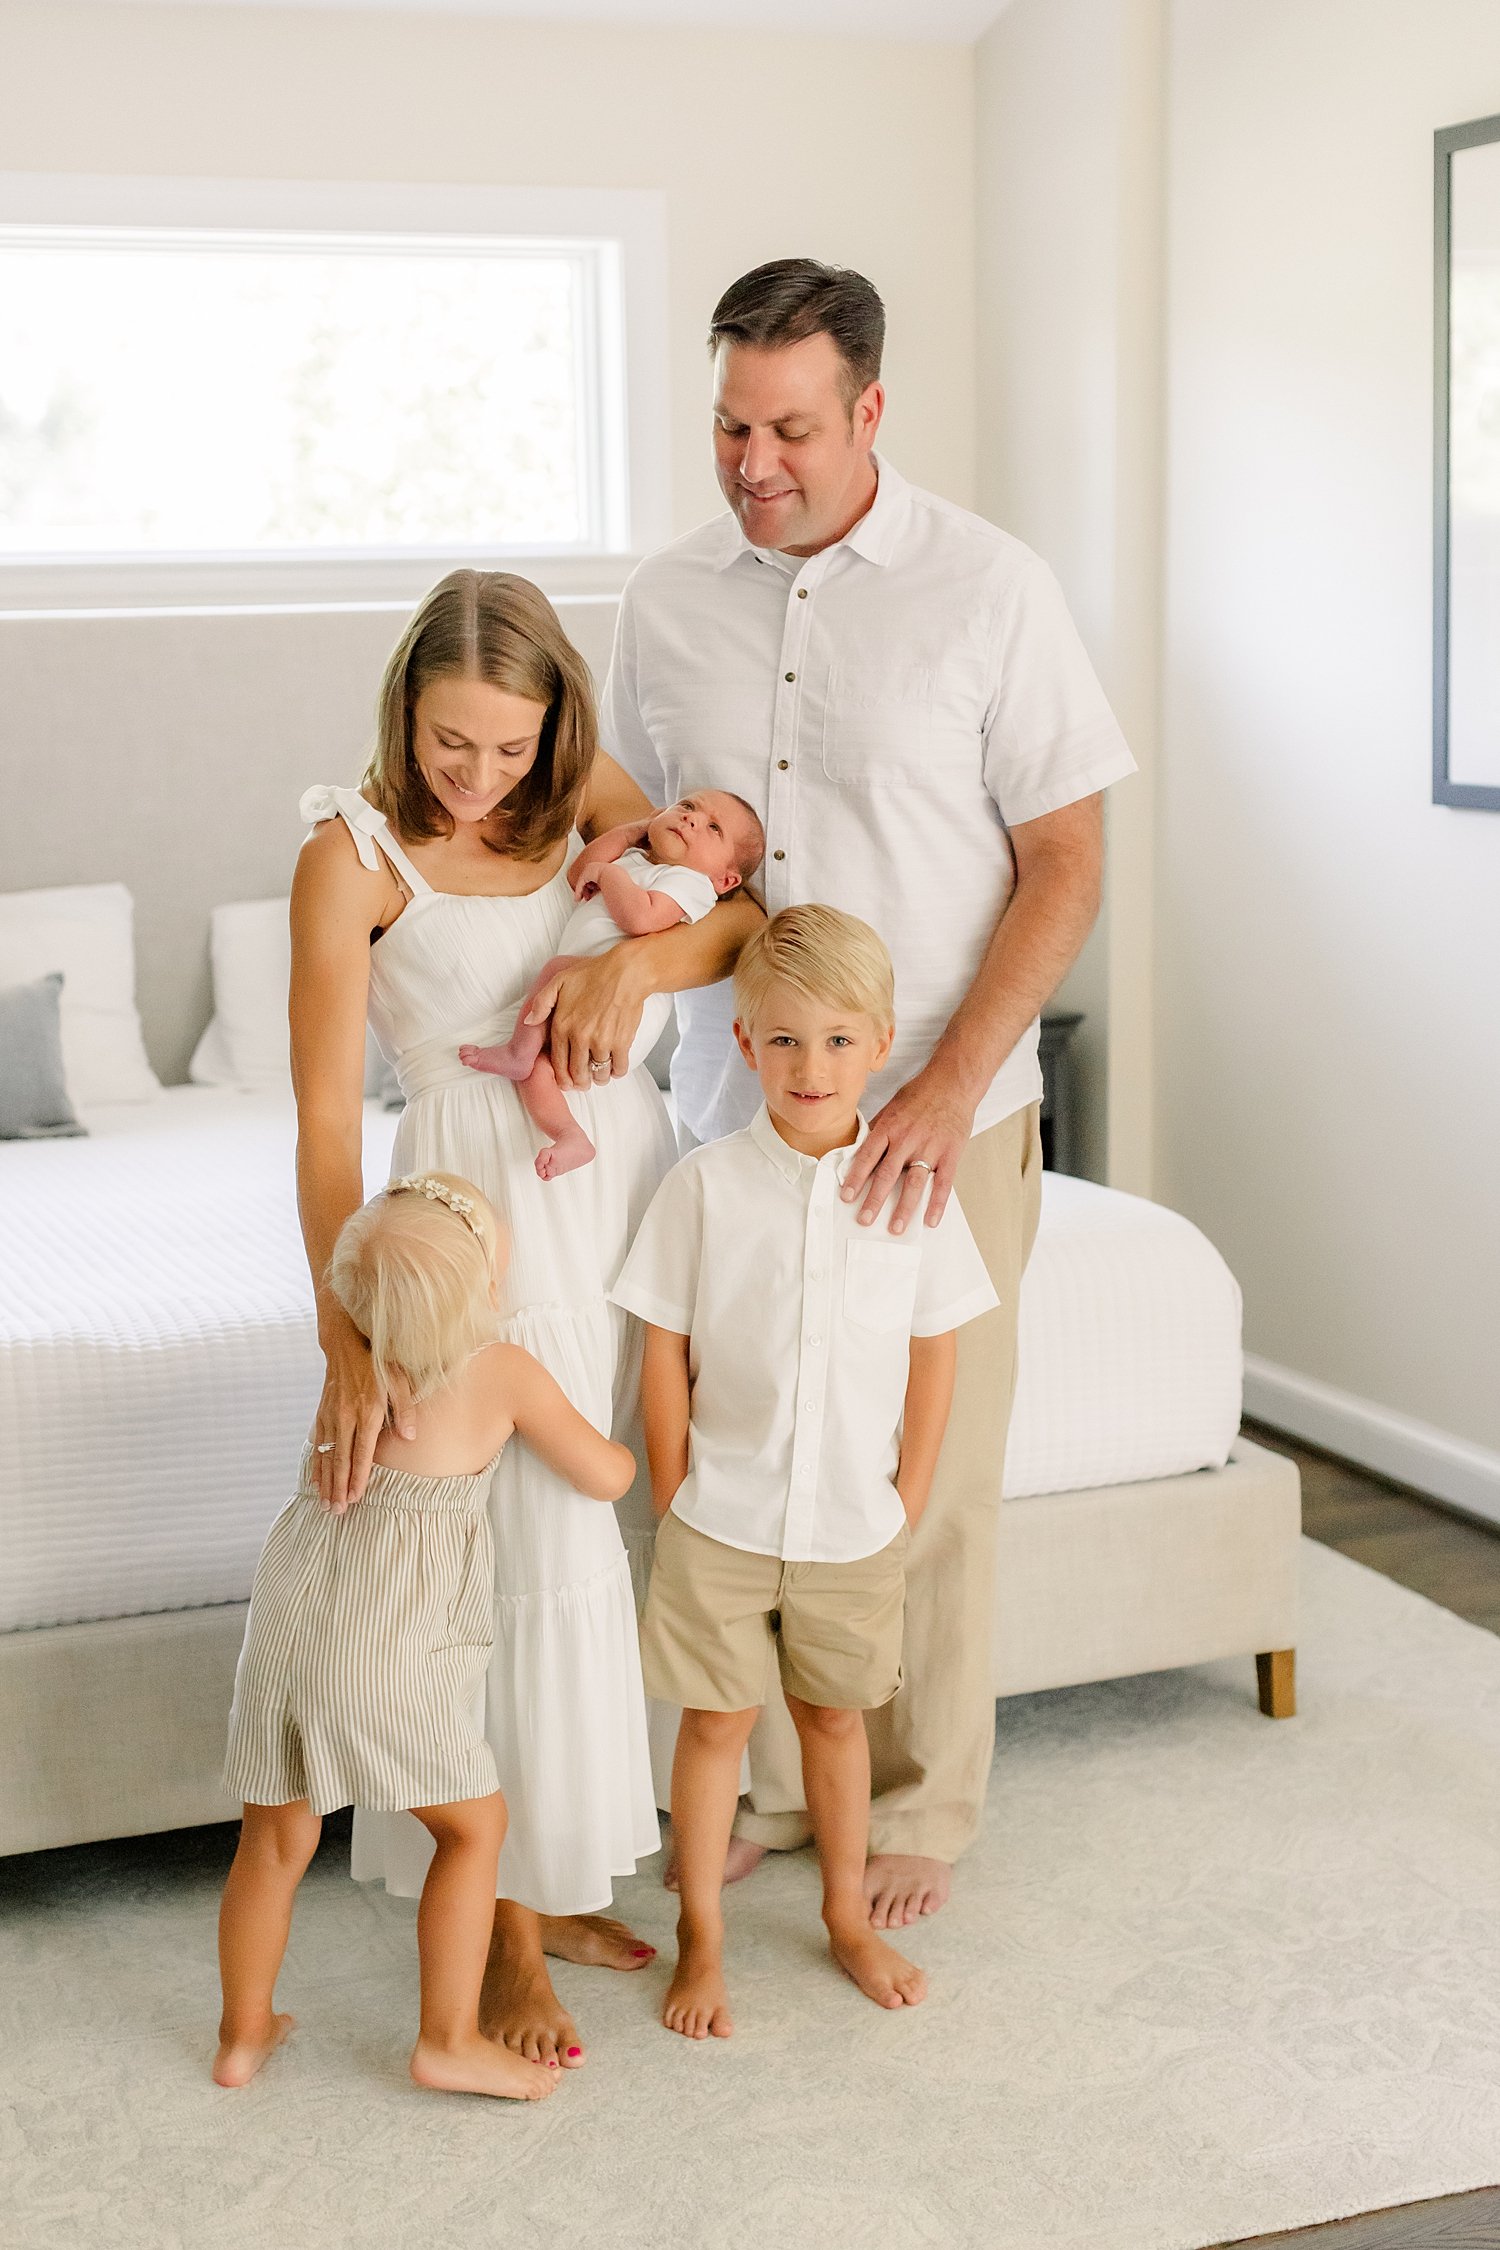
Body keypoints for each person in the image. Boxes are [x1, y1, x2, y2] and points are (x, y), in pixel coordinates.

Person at [600, 259, 1137, 1931]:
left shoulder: (992, 589)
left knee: (926, 1471)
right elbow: (652, 845)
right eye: (729, 426)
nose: (756, 462)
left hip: (936, 1119)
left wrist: (950, 1081)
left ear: (874, 413)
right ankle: (754, 1773)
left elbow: (1066, 862)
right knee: (732, 1450)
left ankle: (923, 1802)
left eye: (793, 429)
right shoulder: (667, 601)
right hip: (727, 1123)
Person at [290, 569, 762, 2068]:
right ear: (404, 709)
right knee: (498, 1552)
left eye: (510, 747)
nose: (484, 776)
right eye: (452, 745)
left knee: (609, 1529)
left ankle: (552, 1883)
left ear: (554, 717)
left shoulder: (579, 792)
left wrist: (630, 961)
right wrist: (347, 1338)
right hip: (472, 1219)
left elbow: (740, 924)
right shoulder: (349, 854)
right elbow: (316, 1131)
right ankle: (498, 1938)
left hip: (624, 1186)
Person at [614, 908, 998, 2039]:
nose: (810, 1066)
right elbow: (664, 1354)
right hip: (718, 1520)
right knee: (715, 1728)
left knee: (835, 1726)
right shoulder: (704, 1187)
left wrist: (909, 1494)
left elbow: (937, 1351)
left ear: (879, 1043)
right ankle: (701, 1941)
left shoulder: (914, 1191)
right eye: (783, 1042)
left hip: (852, 1526)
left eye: (837, 1041)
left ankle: (844, 1913)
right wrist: (680, 1487)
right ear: (742, 1045)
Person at [215, 1172, 636, 2098]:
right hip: (388, 1645)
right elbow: (604, 1475)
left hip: (287, 1615)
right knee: (475, 1825)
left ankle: (243, 2036)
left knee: (275, 1839)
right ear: (488, 1287)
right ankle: (447, 2037)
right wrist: (629, 1450)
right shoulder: (502, 1370)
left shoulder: (354, 1365)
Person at [459, 790, 764, 1179]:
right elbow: (579, 872)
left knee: (555, 970)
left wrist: (609, 874)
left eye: (713, 827)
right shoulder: (636, 859)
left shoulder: (691, 884)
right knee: (539, 1072)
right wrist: (633, 832)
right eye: (687, 806)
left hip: (626, 1004)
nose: (691, 819)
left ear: (725, 879)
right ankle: (569, 1135)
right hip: (585, 983)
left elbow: (641, 917)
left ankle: (518, 1051)